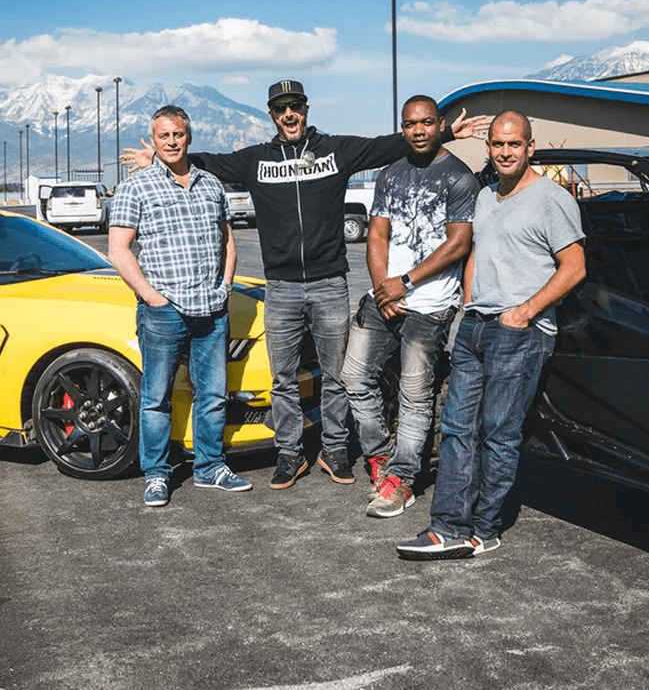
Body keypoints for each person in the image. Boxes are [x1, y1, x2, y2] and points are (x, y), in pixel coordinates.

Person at [122, 81, 490, 490]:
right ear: (272, 114)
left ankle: (334, 450)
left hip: (330, 283)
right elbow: (209, 161)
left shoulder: (336, 151)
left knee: (335, 376)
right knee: (282, 378)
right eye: (280, 108)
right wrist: (158, 157)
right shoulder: (255, 160)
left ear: (306, 108)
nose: (288, 114)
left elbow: (389, 145)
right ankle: (289, 454)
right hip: (279, 286)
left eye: (294, 106)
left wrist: (449, 132)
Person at [397, 110, 586, 558]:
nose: (505, 152)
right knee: (457, 428)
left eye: (513, 144)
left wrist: (525, 311)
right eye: (498, 145)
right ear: (489, 148)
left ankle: (484, 528)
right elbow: (477, 251)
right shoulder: (485, 198)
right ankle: (447, 526)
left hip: (520, 331)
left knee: (498, 434)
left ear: (529, 147)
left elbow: (575, 266)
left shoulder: (551, 199)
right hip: (476, 327)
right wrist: (469, 302)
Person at [340, 95, 479, 518]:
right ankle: (382, 455)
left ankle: (402, 480)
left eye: (425, 123)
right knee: (353, 377)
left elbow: (458, 243)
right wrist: (383, 286)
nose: (418, 130)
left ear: (440, 125)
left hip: (430, 304)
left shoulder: (459, 177)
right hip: (386, 296)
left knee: (415, 394)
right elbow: (377, 234)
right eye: (409, 124)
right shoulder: (390, 174)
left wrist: (406, 283)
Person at [109, 105, 251, 507]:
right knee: (156, 396)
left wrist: (225, 285)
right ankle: (156, 474)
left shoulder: (210, 184)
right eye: (163, 136)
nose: (172, 142)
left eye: (179, 134)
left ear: (189, 137)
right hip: (163, 312)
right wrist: (152, 297)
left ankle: (210, 467)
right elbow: (119, 250)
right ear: (153, 141)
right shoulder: (135, 187)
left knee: (214, 393)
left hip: (211, 308)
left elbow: (228, 242)